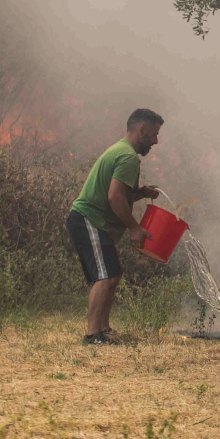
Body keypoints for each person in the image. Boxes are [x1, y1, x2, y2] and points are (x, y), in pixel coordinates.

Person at [65, 109, 163, 345]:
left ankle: (104, 329)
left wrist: (140, 193)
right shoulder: (128, 157)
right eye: (153, 134)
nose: (156, 141)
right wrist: (134, 228)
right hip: (89, 219)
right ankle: (92, 335)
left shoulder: (121, 150)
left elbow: (121, 194)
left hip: (92, 221)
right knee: (105, 276)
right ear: (141, 130)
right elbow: (114, 198)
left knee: (113, 275)